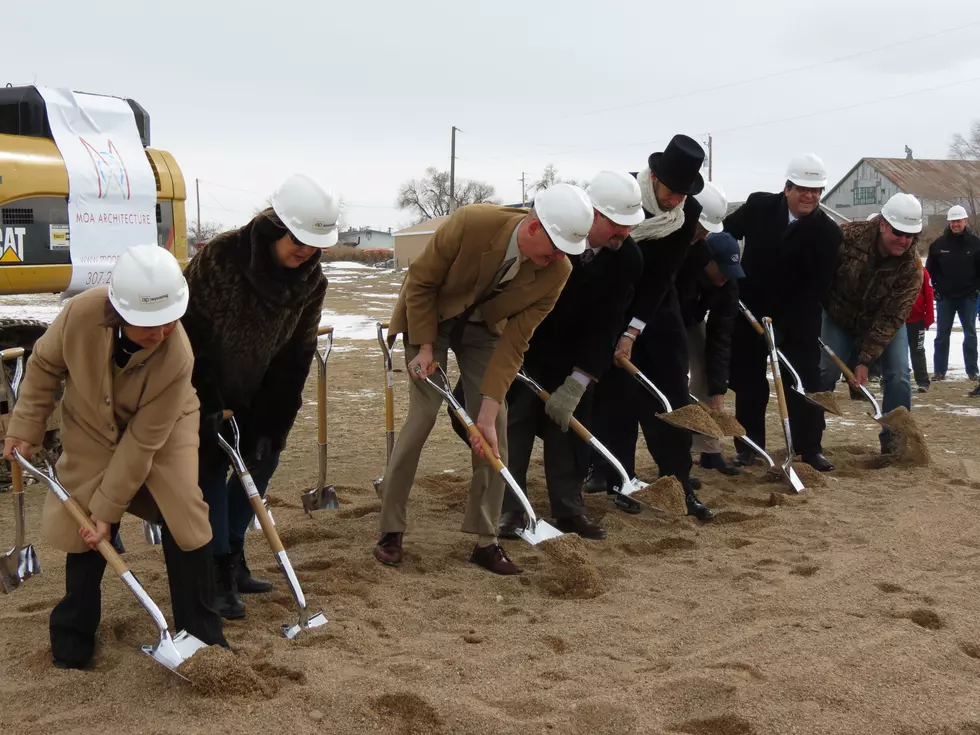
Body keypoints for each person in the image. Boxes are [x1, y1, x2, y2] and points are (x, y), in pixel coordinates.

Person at [3, 244, 227, 670]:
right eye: (148, 325)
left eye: (168, 322)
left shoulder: (177, 354)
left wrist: (110, 509)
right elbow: (45, 367)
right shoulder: (80, 315)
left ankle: (200, 632)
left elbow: (142, 443)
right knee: (81, 518)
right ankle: (74, 630)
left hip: (165, 423)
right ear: (119, 310)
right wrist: (25, 427)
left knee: (184, 509)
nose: (160, 334)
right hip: (90, 417)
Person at [372, 184, 592, 575]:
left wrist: (486, 413)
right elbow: (421, 282)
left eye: (565, 252)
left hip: (482, 332)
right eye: (554, 247)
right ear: (534, 226)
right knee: (423, 416)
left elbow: (515, 341)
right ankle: (391, 529)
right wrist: (424, 347)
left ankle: (485, 540)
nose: (557, 258)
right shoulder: (472, 223)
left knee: (497, 426)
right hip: (430, 320)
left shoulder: (557, 272)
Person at [180, 173, 337, 619]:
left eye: (313, 244)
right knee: (209, 472)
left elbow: (298, 352)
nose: (304, 250)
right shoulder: (223, 257)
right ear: (276, 226)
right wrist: (208, 402)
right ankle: (214, 569)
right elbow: (190, 334)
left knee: (258, 466)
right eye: (297, 239)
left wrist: (274, 419)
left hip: (262, 390)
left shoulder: (312, 282)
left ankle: (234, 552)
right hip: (202, 384)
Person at [495, 171, 645, 541]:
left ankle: (569, 507)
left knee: (572, 429)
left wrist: (579, 381)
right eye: (617, 224)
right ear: (592, 213)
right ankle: (510, 507)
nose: (623, 233)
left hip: (577, 355)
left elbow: (609, 323)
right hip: (525, 346)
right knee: (515, 424)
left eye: (629, 226)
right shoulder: (552, 240)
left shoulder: (628, 258)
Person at [587, 134, 715, 521]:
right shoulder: (621, 194)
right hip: (609, 306)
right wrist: (614, 329)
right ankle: (615, 476)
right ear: (653, 177)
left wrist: (633, 332)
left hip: (657, 312)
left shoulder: (687, 213)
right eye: (671, 190)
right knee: (615, 399)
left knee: (670, 399)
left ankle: (677, 481)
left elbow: (662, 276)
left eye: (683, 193)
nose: (675, 200)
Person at [722, 153, 843, 472]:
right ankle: (749, 447)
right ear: (787, 187)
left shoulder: (829, 234)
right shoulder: (760, 206)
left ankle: (810, 448)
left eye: (816, 191)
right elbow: (726, 232)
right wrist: (730, 269)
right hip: (750, 311)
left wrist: (785, 326)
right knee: (749, 385)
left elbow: (818, 287)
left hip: (798, 318)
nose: (810, 196)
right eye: (803, 188)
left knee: (803, 382)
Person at [820, 195, 923, 452]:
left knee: (899, 375)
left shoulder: (911, 268)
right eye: (899, 232)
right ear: (883, 224)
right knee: (824, 372)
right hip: (839, 316)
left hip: (882, 322)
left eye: (910, 235)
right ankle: (808, 438)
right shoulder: (848, 237)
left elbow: (892, 317)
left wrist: (865, 359)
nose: (904, 240)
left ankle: (896, 444)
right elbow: (820, 274)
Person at [677, 217, 744, 476]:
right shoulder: (686, 268)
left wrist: (718, 389)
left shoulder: (728, 284)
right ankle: (677, 453)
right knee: (675, 377)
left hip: (692, 321)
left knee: (706, 373)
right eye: (723, 270)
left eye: (732, 272)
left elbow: (720, 336)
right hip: (660, 320)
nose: (727, 278)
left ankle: (710, 451)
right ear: (708, 261)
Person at [925, 205, 980, 382]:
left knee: (970, 334)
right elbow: (929, 272)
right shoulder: (938, 245)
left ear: (965, 221)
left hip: (968, 297)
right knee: (942, 335)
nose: (956, 224)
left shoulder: (976, 244)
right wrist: (935, 290)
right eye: (953, 221)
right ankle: (940, 371)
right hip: (945, 298)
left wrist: (976, 290)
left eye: (959, 221)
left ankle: (972, 371)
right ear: (949, 222)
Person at [906, 261, 935, 394]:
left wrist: (929, 317)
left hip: (917, 319)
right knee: (893, 352)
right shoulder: (891, 269)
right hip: (895, 320)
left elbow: (929, 294)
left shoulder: (922, 271)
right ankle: (892, 380)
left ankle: (923, 381)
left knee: (917, 350)